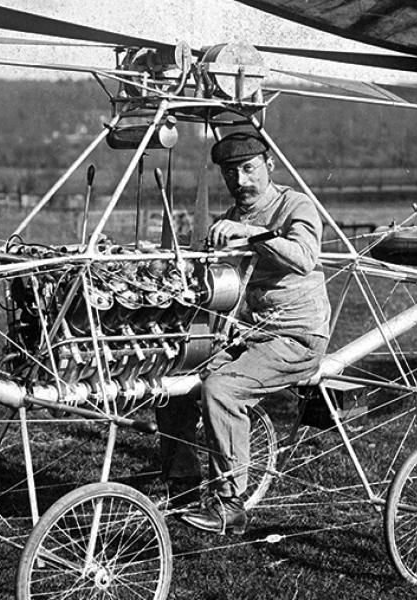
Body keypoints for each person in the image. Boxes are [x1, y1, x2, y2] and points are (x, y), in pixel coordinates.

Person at [156, 131, 331, 535]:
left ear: (269, 166)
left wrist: (249, 234)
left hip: (297, 336)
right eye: (230, 172)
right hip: (251, 334)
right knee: (172, 386)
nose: (241, 180)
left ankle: (230, 504)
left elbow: (305, 258)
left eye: (249, 169)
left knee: (222, 389)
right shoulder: (233, 217)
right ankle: (183, 486)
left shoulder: (294, 205)